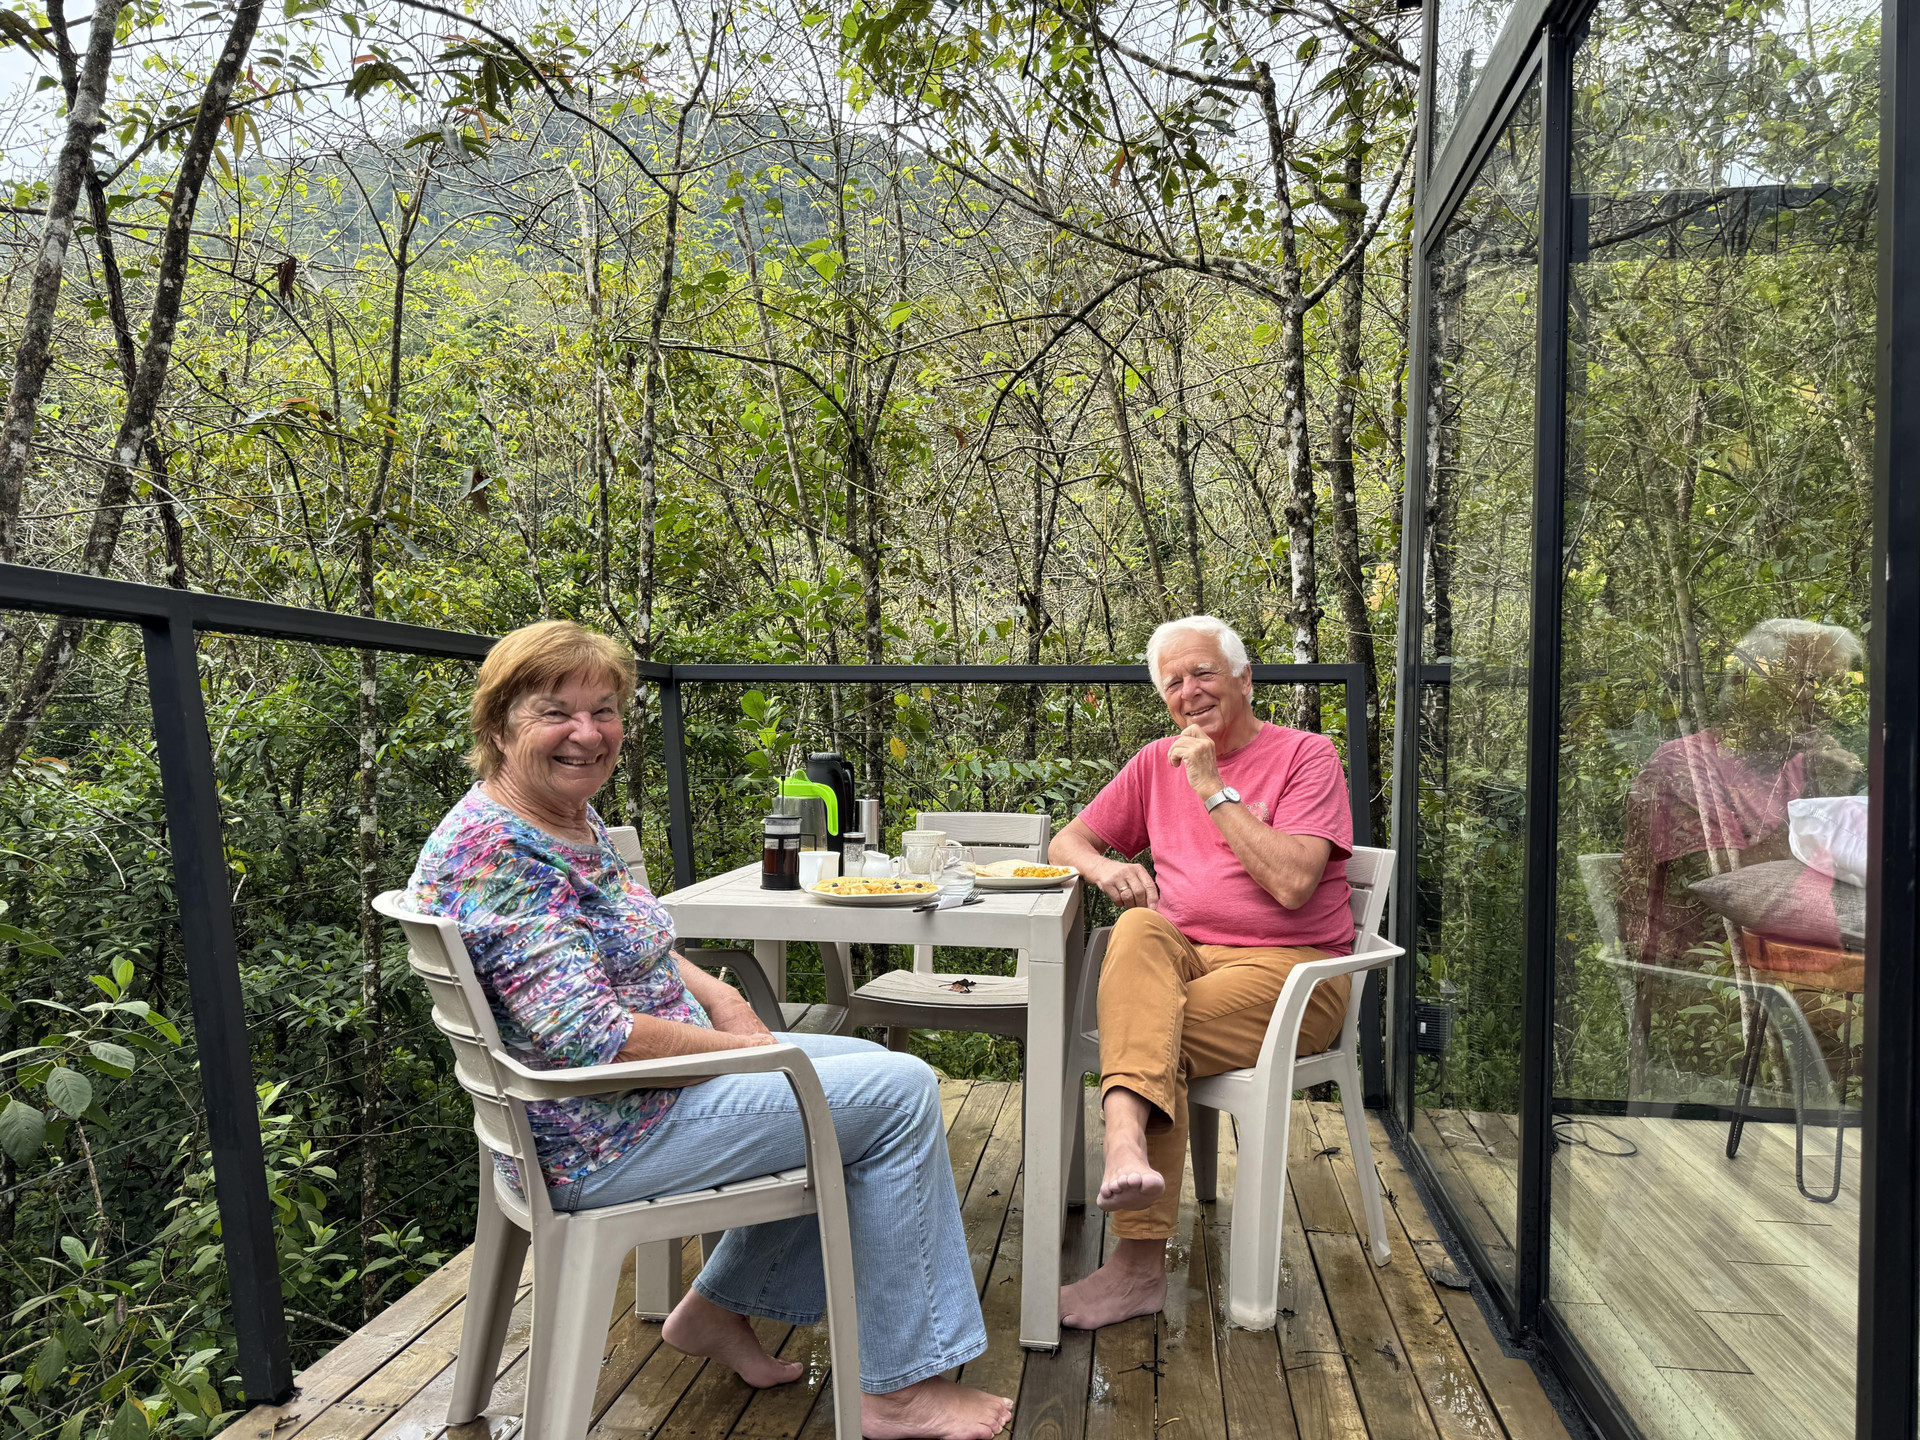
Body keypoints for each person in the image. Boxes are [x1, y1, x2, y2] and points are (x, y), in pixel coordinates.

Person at [405, 620, 1012, 1440]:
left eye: (606, 710)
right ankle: (898, 1391)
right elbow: (590, 1035)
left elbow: (642, 943)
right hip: (602, 1131)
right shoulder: (496, 852)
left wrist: (724, 1001)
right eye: (558, 711)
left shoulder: (562, 820)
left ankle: (714, 1309)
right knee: (895, 1093)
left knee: (863, 1072)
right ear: (498, 724)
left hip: (628, 1102)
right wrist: (742, 1053)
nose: (588, 733)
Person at [1048, 615, 1356, 1330]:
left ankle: (1135, 1268)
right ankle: (1127, 1140)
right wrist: (1105, 865)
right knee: (1136, 926)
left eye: (1204, 674)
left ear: (1246, 680)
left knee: (1159, 1038)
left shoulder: (1307, 756)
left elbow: (1292, 885)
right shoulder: (1156, 761)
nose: (1190, 692)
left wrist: (1215, 788)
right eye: (1174, 682)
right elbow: (1069, 839)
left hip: (1294, 973)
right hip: (1190, 962)